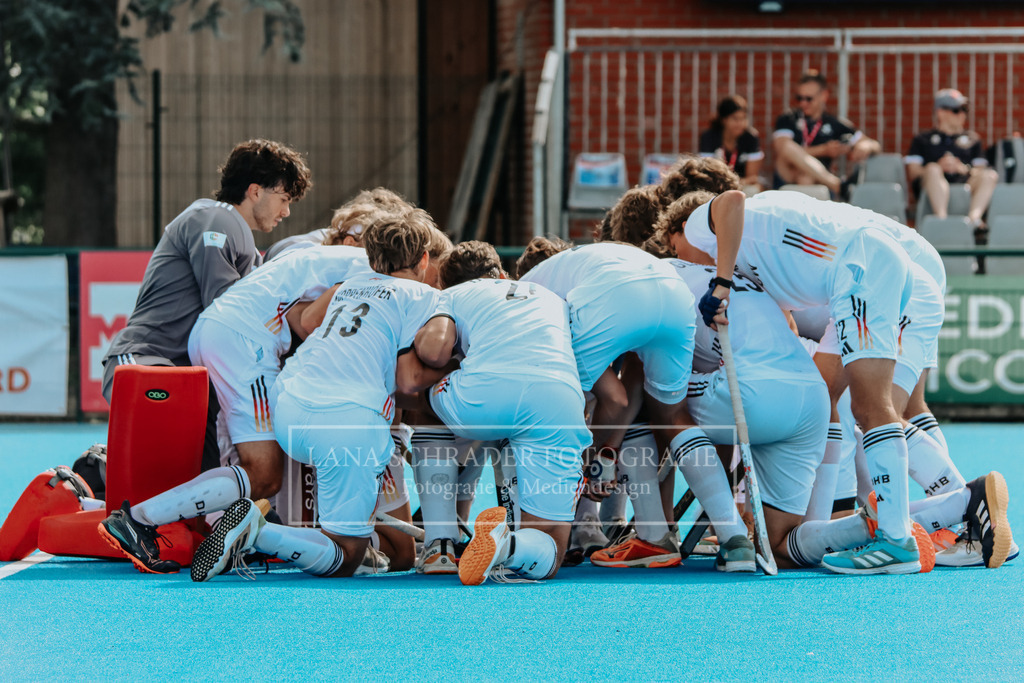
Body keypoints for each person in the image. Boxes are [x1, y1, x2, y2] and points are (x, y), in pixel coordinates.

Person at [189, 212, 442, 581]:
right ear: (423, 260)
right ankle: (259, 533)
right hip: (349, 421)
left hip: (290, 406)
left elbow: (307, 322)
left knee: (391, 550)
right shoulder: (424, 295)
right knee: (347, 556)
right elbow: (410, 378)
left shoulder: (348, 284)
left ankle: (143, 517)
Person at [97, 243, 372, 574]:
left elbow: (300, 314)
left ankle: (219, 529)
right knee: (265, 473)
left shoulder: (344, 257)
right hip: (246, 341)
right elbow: (310, 321)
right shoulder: (374, 273)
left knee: (246, 465)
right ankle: (139, 519)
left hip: (224, 330)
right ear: (421, 261)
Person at [517, 239, 757, 572]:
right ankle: (733, 540)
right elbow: (629, 383)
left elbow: (603, 402)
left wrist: (591, 463)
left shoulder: (526, 295)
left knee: (565, 405)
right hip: (673, 296)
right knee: (671, 415)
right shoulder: (579, 263)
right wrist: (605, 453)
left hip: (614, 298)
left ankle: (613, 531)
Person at [101, 139, 311, 471]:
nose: (286, 212)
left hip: (188, 380)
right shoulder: (216, 218)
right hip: (147, 361)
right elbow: (227, 312)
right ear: (255, 191)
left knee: (204, 481)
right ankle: (95, 479)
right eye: (284, 199)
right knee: (161, 477)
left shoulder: (238, 238)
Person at [399, 241, 593, 585]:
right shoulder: (551, 296)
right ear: (503, 274)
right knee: (551, 545)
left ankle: (439, 544)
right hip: (556, 398)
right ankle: (509, 544)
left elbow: (433, 352)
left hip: (482, 396)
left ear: (445, 283)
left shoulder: (448, 297)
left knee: (426, 397)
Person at [772, 70, 879, 197]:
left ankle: (833, 186)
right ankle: (837, 185)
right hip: (787, 173)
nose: (803, 103)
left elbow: (873, 144)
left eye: (809, 99)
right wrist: (824, 150)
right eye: (799, 98)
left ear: (824, 96)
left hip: (814, 179)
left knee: (806, 178)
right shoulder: (788, 118)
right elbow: (782, 149)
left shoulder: (834, 123)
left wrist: (864, 146)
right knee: (788, 147)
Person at [905, 88, 998, 229]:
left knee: (990, 175)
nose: (962, 114)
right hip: (932, 184)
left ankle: (974, 220)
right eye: (956, 110)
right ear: (940, 112)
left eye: (964, 109)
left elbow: (981, 170)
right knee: (932, 169)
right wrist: (938, 167)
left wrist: (963, 168)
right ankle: (942, 220)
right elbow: (913, 172)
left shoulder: (973, 139)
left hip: (965, 183)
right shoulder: (922, 139)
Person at [699, 95, 764, 193]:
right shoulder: (709, 137)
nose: (740, 123)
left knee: (753, 190)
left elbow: (752, 177)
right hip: (716, 187)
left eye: (743, 118)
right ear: (724, 120)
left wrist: (734, 183)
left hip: (741, 186)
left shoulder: (751, 138)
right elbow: (708, 174)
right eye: (735, 119)